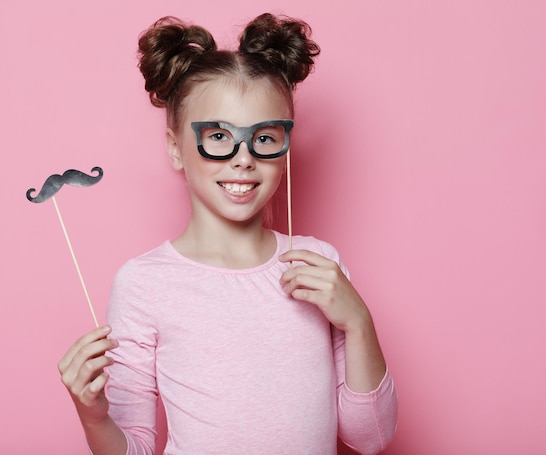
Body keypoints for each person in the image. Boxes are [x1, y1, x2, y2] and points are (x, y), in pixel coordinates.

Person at [58, 12, 398, 455]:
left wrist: (358, 321)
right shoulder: (144, 284)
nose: (243, 158)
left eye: (265, 137)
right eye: (218, 136)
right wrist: (93, 415)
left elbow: (370, 439)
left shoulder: (318, 265)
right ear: (176, 148)